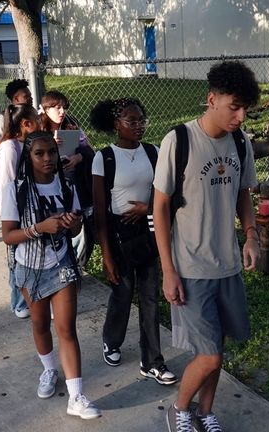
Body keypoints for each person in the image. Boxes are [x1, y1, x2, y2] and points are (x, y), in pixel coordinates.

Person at [153, 61, 260, 432]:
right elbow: (160, 207)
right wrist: (168, 270)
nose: (241, 116)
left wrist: (250, 234)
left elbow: (243, 194)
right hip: (191, 267)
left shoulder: (241, 142)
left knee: (218, 348)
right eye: (234, 107)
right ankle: (179, 408)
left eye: (246, 108)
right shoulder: (179, 141)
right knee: (209, 355)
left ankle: (205, 411)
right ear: (211, 99)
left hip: (228, 265)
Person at [0, 132, 101, 420]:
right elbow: (8, 236)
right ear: (28, 158)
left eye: (51, 153)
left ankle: (76, 396)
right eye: (39, 153)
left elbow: (77, 222)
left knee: (67, 329)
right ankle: (49, 369)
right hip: (29, 267)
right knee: (40, 323)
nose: (47, 159)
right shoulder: (14, 190)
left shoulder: (66, 185)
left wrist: (73, 222)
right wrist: (38, 229)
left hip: (62, 263)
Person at [89, 97, 177, 386]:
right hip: (118, 235)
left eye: (141, 120)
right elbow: (100, 213)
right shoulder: (105, 157)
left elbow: (166, 194)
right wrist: (106, 255)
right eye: (131, 121)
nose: (139, 126)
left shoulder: (153, 152)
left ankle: (152, 361)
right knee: (123, 294)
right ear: (116, 124)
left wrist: (147, 208)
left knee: (150, 297)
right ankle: (111, 341)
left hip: (149, 231)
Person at [0, 102, 43, 319]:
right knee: (16, 257)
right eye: (37, 118)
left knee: (32, 253)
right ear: (26, 124)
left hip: (32, 206)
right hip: (16, 209)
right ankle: (19, 301)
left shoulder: (31, 143)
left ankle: (36, 296)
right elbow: (7, 182)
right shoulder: (10, 147)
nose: (41, 121)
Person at [41, 90, 96, 270]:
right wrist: (50, 148)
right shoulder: (39, 130)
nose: (61, 111)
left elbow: (88, 150)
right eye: (56, 107)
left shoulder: (71, 127)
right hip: (50, 190)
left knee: (79, 228)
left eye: (64, 107)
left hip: (75, 186)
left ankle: (76, 266)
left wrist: (78, 158)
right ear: (45, 109)